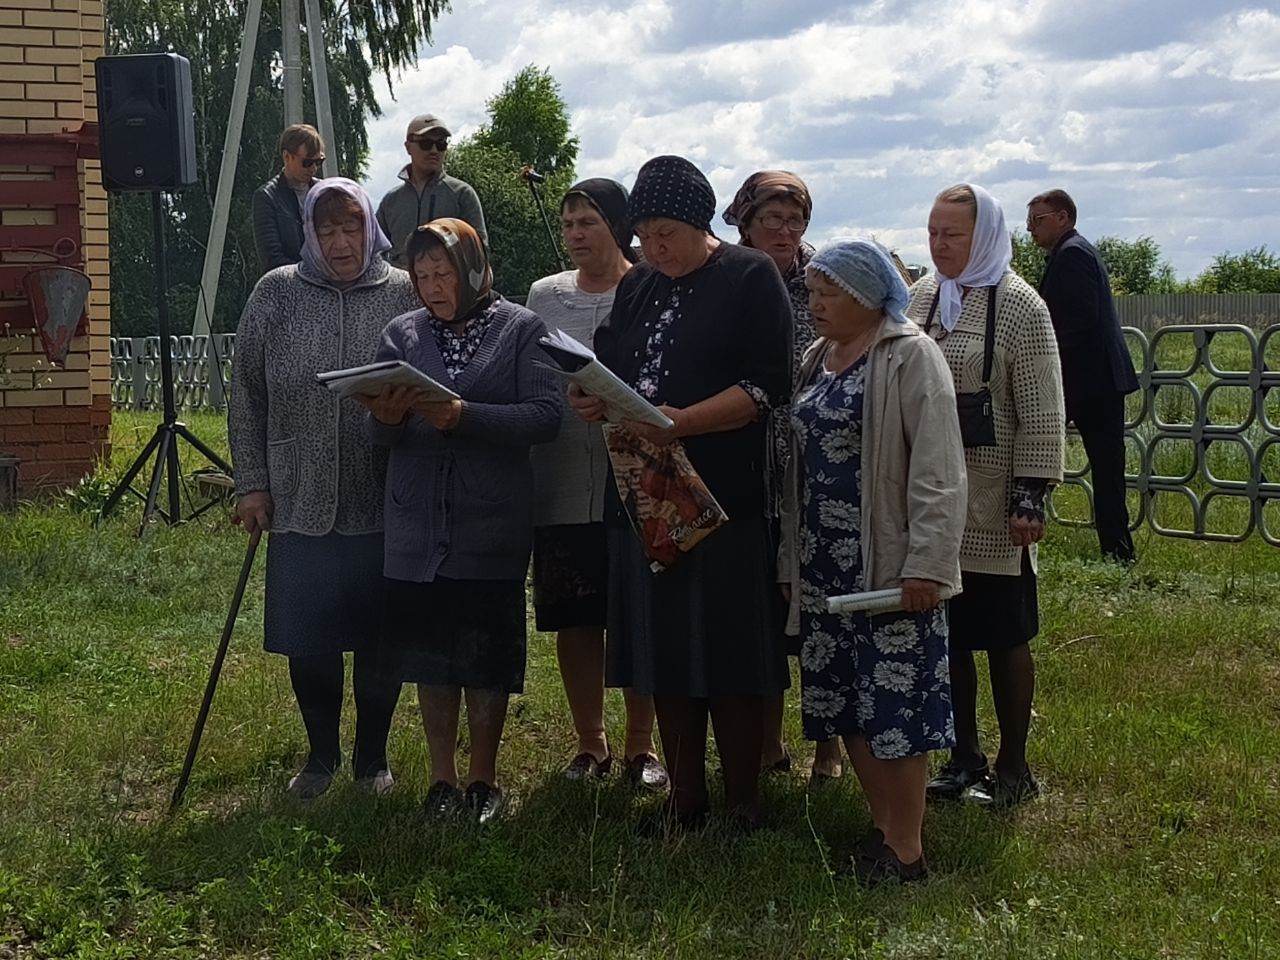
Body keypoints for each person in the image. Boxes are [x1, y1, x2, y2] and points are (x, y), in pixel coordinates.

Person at [572, 155, 793, 830]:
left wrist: (680, 422)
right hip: (645, 498)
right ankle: (686, 794)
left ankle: (745, 800)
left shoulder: (750, 276)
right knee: (667, 650)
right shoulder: (639, 287)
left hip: (723, 498)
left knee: (727, 651)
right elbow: (608, 362)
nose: (655, 246)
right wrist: (589, 393)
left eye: (667, 231)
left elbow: (766, 388)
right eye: (645, 233)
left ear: (701, 224)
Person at [779, 238, 967, 882]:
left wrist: (928, 565)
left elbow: (940, 471)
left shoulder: (911, 357)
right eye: (811, 292)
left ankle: (908, 849)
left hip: (887, 565)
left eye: (828, 294)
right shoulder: (816, 358)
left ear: (866, 295)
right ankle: (884, 829)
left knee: (895, 702)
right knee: (845, 699)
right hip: (823, 561)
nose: (816, 305)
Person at [364, 218, 561, 825]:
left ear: (472, 268)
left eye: (442, 272)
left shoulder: (522, 329)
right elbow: (378, 432)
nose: (431, 286)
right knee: (429, 657)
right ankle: (441, 780)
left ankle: (484, 780)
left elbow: (545, 417)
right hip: (416, 525)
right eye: (421, 276)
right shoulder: (402, 333)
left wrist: (464, 416)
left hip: (489, 524)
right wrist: (391, 417)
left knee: (483, 655)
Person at [229, 178, 419, 798]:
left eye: (352, 227)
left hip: (383, 493)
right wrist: (252, 483)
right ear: (309, 232)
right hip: (297, 491)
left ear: (371, 227)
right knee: (309, 635)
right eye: (327, 229)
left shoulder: (403, 291)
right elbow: (246, 395)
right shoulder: (276, 291)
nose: (340, 241)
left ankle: (372, 760)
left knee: (379, 634)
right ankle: (319, 758)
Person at [907, 183, 1065, 808]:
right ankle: (963, 754)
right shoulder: (919, 299)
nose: (940, 244)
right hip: (932, 500)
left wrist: (1030, 496)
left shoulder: (1021, 306)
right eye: (933, 232)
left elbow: (1044, 408)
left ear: (986, 236)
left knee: (1003, 633)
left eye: (953, 234)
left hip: (993, 501)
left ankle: (1015, 764)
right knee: (945, 633)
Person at [526, 179, 668, 791]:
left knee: (637, 612)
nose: (577, 235)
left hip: (635, 476)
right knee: (575, 614)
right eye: (568, 225)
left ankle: (643, 747)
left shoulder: (651, 289)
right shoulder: (543, 294)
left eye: (588, 222)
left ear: (619, 225)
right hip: (560, 474)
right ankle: (590, 743)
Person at [723, 170, 843, 783]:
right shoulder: (728, 279)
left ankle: (829, 746)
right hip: (745, 460)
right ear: (745, 221)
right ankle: (768, 742)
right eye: (772, 219)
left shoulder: (826, 279)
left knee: (819, 600)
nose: (785, 231)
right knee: (764, 607)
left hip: (816, 463)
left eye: (795, 221)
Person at [1027, 188, 1139, 563]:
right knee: (1104, 468)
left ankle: (1117, 551)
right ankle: (1117, 550)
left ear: (1064, 217)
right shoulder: (1072, 251)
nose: (1030, 229)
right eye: (1029, 221)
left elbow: (1080, 321)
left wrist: (1041, 355)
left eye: (1038, 220)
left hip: (1089, 381)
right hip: (1094, 379)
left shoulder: (1073, 254)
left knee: (1037, 451)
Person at [376, 114, 488, 268]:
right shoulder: (390, 201)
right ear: (408, 147)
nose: (434, 150)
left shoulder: (462, 194)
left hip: (448, 289)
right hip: (400, 289)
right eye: (426, 143)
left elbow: (479, 252)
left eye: (441, 144)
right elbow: (375, 250)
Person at [251, 124, 326, 277]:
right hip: (288, 288)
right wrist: (313, 276)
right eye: (307, 162)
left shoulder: (324, 192)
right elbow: (272, 260)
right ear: (287, 157)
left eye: (318, 162)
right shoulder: (267, 197)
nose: (313, 168)